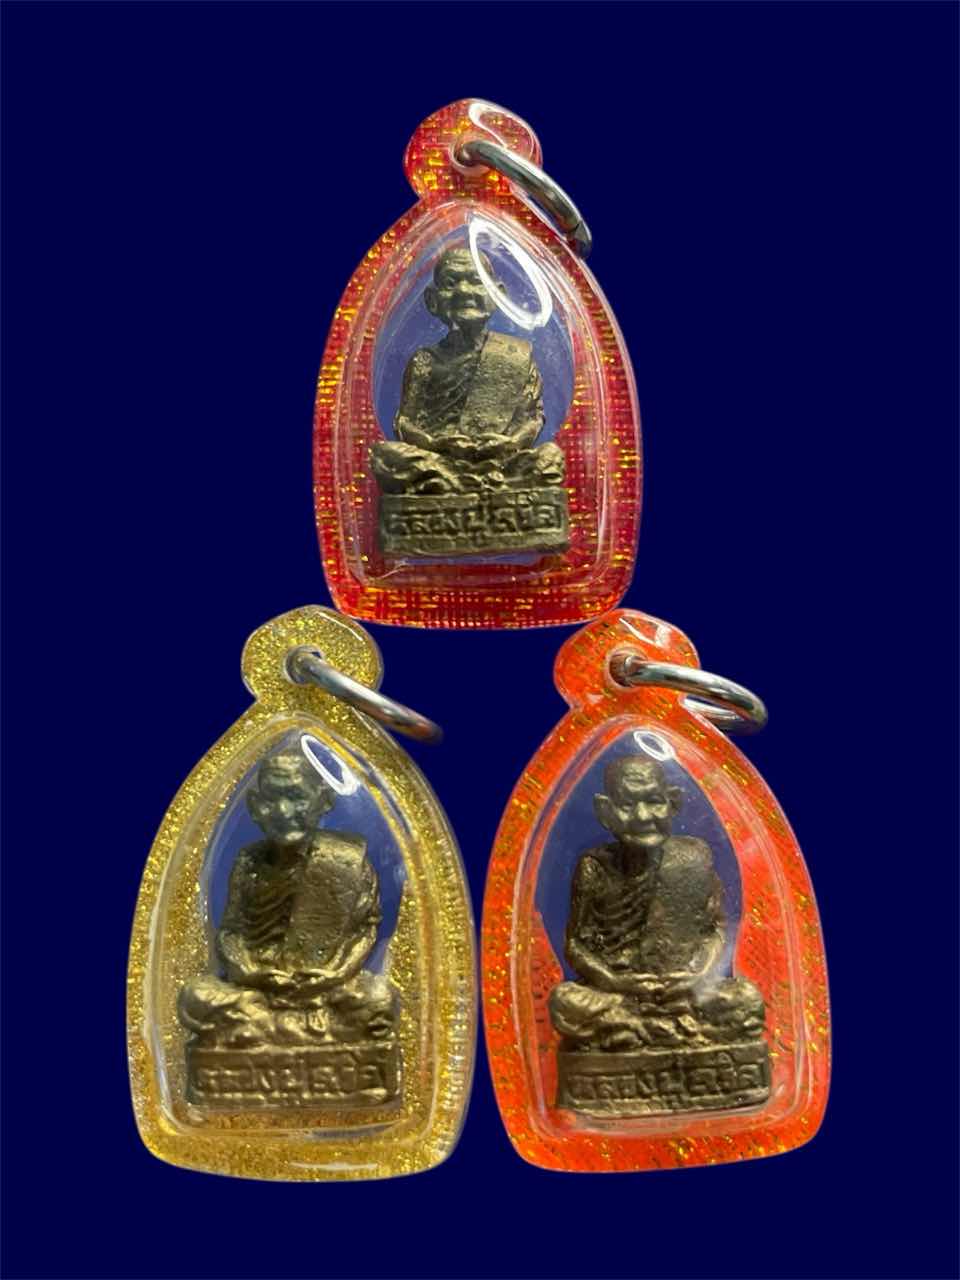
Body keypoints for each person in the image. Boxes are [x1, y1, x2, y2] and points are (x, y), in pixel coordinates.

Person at [178, 747, 397, 1049]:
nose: (283, 811)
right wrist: (250, 971)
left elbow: (365, 930)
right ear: (255, 806)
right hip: (258, 990)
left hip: (326, 989)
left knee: (379, 1000)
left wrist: (334, 975)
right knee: (194, 996)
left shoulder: (346, 862)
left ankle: (264, 1030)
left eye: (297, 797)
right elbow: (231, 933)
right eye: (271, 800)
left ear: (324, 801)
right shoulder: (249, 862)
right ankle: (292, 1028)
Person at [549, 755, 765, 1052]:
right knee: (565, 1002)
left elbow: (716, 929)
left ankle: (637, 1031)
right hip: (620, 994)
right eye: (626, 805)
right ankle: (662, 1029)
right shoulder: (595, 867)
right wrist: (616, 981)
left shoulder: (693, 859)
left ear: (673, 803)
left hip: (686, 992)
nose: (642, 816)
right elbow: (575, 944)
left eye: (653, 801)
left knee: (747, 998)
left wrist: (699, 974)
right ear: (605, 811)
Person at [370, 246, 564, 496]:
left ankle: (466, 485)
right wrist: (433, 443)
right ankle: (467, 485)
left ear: (498, 294)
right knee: (386, 455)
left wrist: (512, 443)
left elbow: (533, 418)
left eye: (476, 281)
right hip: (438, 461)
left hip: (502, 460)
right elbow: (404, 421)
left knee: (549, 456)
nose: (463, 291)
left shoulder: (515, 355)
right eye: (451, 283)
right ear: (432, 300)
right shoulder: (424, 360)